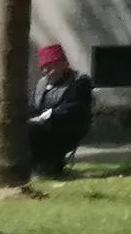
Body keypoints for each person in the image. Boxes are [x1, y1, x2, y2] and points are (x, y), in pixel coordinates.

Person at [23, 44, 99, 179]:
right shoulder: (42, 83)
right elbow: (33, 106)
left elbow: (75, 108)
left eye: (51, 66)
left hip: (66, 127)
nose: (47, 71)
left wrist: (51, 114)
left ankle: (46, 166)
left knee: (31, 130)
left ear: (64, 64)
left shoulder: (80, 82)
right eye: (44, 67)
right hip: (42, 124)